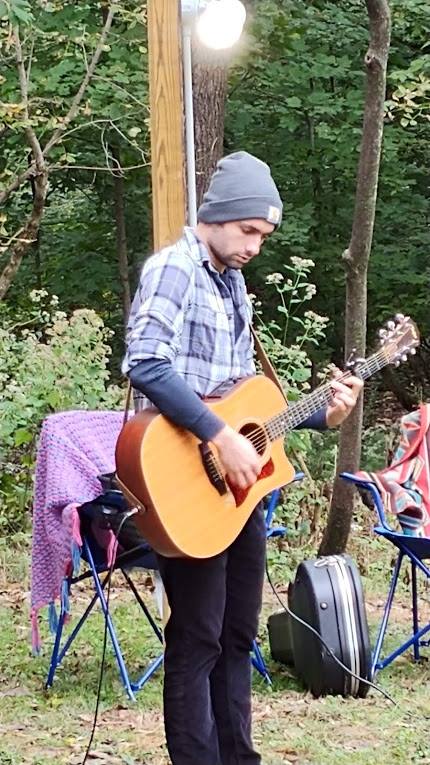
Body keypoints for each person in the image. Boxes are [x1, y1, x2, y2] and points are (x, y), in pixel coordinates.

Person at [122, 151, 363, 765]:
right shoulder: (175, 268)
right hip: (187, 483)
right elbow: (145, 361)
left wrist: (324, 413)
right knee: (197, 638)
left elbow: (248, 406)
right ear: (218, 216)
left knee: (235, 636)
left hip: (240, 493)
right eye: (249, 230)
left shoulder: (233, 285)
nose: (255, 245)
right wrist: (216, 436)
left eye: (264, 235)